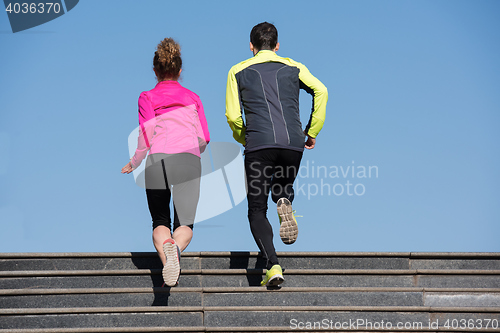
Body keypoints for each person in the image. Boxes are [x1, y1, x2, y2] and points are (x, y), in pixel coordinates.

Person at [225, 22, 328, 287]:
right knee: (282, 185)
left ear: (251, 46)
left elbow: (234, 116)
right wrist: (312, 130)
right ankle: (283, 198)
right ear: (277, 45)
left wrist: (244, 136)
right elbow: (321, 90)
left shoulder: (237, 71)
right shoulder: (294, 66)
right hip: (293, 143)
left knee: (257, 210)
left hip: (259, 144)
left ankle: (273, 265)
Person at [122, 38, 210, 287]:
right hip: (189, 160)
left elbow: (146, 134)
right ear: (180, 71)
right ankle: (176, 250)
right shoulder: (193, 97)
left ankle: (167, 256)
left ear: (155, 71)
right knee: (184, 225)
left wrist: (135, 161)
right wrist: (192, 154)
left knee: (160, 222)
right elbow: (204, 137)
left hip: (157, 161)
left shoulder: (147, 97)